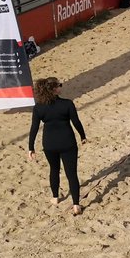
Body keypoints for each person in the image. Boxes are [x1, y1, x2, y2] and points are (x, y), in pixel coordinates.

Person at [28, 76, 87, 216]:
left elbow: (34, 128)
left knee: (54, 169)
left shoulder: (38, 107)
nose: (61, 86)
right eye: (60, 85)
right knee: (71, 173)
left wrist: (31, 147)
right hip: (67, 141)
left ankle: (55, 198)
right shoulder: (67, 104)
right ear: (54, 89)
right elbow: (76, 122)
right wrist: (83, 136)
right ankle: (76, 205)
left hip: (49, 143)